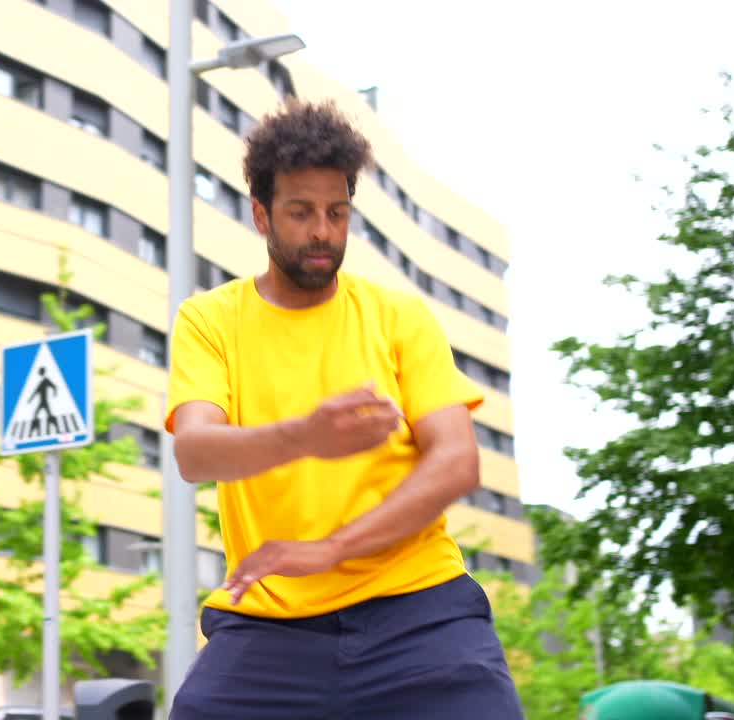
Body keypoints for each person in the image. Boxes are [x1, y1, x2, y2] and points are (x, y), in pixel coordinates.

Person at [164, 99, 524, 719]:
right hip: (272, 623)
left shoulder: (399, 317)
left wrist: (331, 549)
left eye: (336, 212)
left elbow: (457, 461)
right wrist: (304, 436)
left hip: (419, 609)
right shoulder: (210, 320)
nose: (322, 231)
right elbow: (195, 452)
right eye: (301, 213)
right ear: (261, 215)